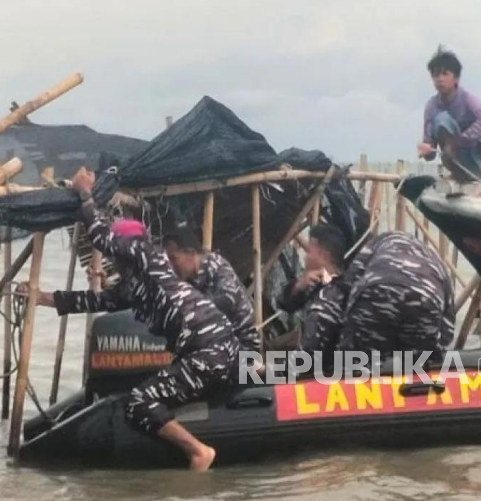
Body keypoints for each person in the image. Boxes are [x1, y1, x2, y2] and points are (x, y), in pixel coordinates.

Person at [21, 167, 238, 471]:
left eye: (115, 255)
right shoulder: (138, 284)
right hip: (211, 349)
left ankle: (199, 451)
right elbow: (95, 300)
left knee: (140, 401)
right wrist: (42, 297)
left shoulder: (146, 252)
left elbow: (101, 238)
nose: (112, 259)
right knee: (143, 390)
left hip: (208, 349)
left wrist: (85, 195)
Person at [285, 227, 454, 362]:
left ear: (324, 255)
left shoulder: (338, 285)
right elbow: (446, 325)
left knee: (358, 366)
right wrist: (436, 352)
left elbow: (312, 351)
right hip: (431, 295)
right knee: (418, 365)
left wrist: (270, 370)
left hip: (379, 288)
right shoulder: (422, 256)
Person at [417, 46, 481, 198]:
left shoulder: (467, 99)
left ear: (456, 78)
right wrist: (426, 150)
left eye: (445, 74)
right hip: (454, 157)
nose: (440, 79)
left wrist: (459, 141)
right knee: (441, 120)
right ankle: (459, 175)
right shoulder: (431, 107)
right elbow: (430, 151)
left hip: (477, 158)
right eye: (435, 75)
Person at [162, 226, 260, 353]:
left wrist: (193, 308)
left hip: (242, 343)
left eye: (174, 259)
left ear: (191, 254)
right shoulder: (186, 282)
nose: (171, 265)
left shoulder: (216, 265)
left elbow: (228, 299)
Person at [279, 225, 348, 364]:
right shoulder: (318, 284)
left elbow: (306, 359)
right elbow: (285, 304)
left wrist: (265, 370)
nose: (305, 257)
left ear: (324, 256)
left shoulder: (329, 298)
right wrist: (299, 285)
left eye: (309, 251)